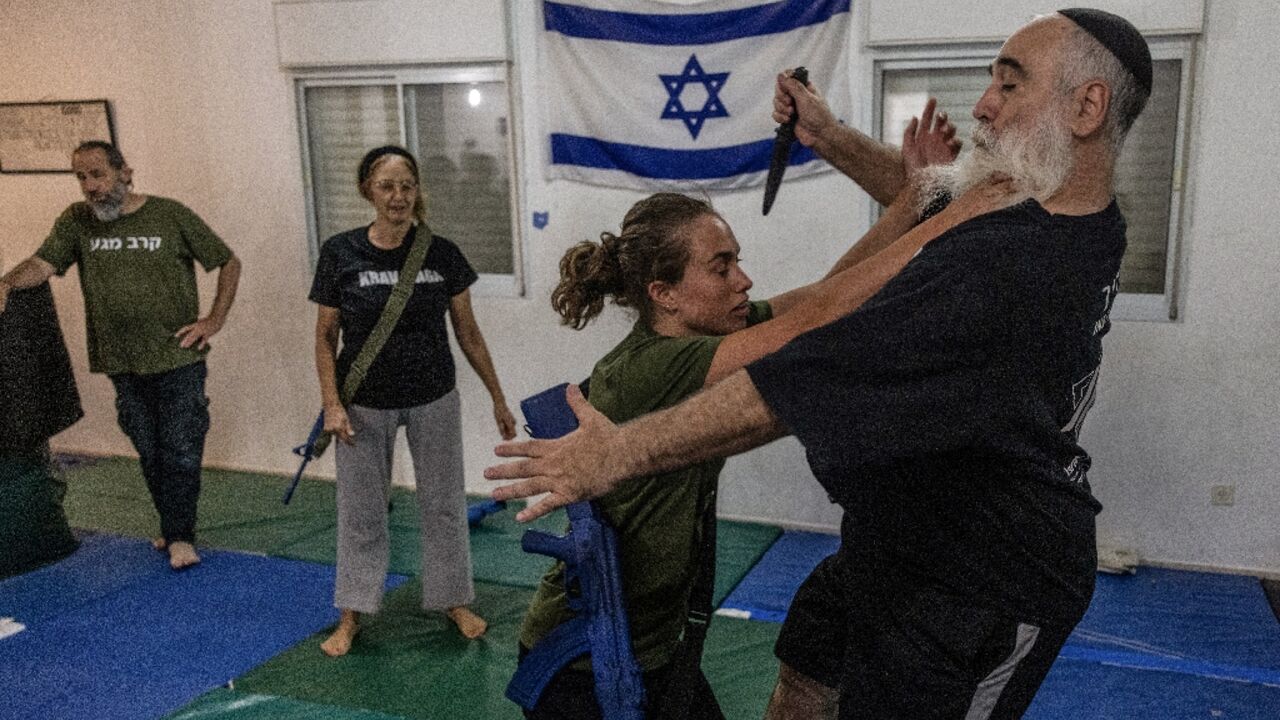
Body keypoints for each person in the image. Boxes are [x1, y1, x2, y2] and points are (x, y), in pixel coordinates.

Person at [488, 8, 1151, 720]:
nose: (984, 104)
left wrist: (616, 454)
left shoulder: (1004, 264)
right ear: (663, 294)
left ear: (1087, 107)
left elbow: (798, 363)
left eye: (1011, 85)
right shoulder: (1057, 207)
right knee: (804, 678)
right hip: (892, 543)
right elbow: (919, 208)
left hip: (983, 577)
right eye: (991, 79)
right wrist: (829, 138)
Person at [515, 95, 1027, 717]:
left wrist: (918, 199)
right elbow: (819, 318)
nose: (744, 281)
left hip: (655, 654)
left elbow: (823, 292)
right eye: (722, 267)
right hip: (585, 663)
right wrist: (955, 214)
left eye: (738, 261)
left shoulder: (706, 335)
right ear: (664, 295)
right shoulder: (652, 369)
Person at [309, 145, 518, 657]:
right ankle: (352, 613)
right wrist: (332, 404)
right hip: (364, 404)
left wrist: (497, 396)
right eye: (387, 186)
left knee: (444, 505)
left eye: (407, 185)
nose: (398, 196)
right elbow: (324, 337)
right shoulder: (341, 252)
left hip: (434, 397)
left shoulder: (441, 253)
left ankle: (452, 600)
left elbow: (467, 332)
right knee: (361, 511)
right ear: (368, 191)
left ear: (417, 190)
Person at [0, 140, 241, 570]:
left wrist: (213, 320)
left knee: (181, 448)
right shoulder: (76, 222)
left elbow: (227, 261)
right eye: (81, 177)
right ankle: (172, 525)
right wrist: (6, 283)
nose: (90, 186)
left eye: (98, 174)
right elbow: (42, 264)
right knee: (149, 449)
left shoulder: (170, 214)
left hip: (177, 357)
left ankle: (181, 536)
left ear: (125, 173)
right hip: (122, 362)